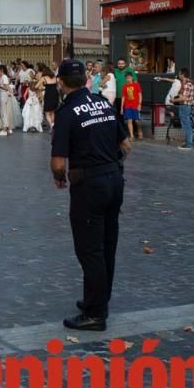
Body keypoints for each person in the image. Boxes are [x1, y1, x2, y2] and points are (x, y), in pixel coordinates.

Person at [51, 60, 130, 331]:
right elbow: (126, 144)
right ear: (85, 79)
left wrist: (60, 178)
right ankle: (97, 299)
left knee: (89, 250)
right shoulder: (102, 103)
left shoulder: (67, 112)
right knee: (107, 245)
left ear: (61, 82)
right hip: (114, 180)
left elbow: (59, 163)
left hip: (89, 185)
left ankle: (96, 314)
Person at [173, 68, 194, 150]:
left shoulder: (187, 84)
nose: (178, 75)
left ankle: (189, 144)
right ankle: (190, 141)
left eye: (179, 74)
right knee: (188, 124)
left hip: (184, 106)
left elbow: (184, 98)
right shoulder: (189, 83)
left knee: (186, 125)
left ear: (183, 75)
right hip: (187, 106)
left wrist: (173, 100)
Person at [121, 72, 142, 140]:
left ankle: (139, 131)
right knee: (129, 120)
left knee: (136, 120)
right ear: (125, 79)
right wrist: (121, 108)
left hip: (135, 105)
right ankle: (132, 135)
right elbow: (123, 97)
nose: (128, 79)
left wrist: (139, 104)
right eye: (127, 78)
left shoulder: (136, 85)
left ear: (132, 78)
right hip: (128, 105)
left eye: (129, 78)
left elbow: (140, 95)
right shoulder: (124, 86)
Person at [39, 64, 59, 131]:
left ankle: (51, 126)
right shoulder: (55, 77)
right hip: (55, 94)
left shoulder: (43, 78)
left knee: (47, 112)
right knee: (53, 111)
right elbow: (58, 86)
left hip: (48, 94)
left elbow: (36, 86)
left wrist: (42, 87)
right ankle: (53, 124)